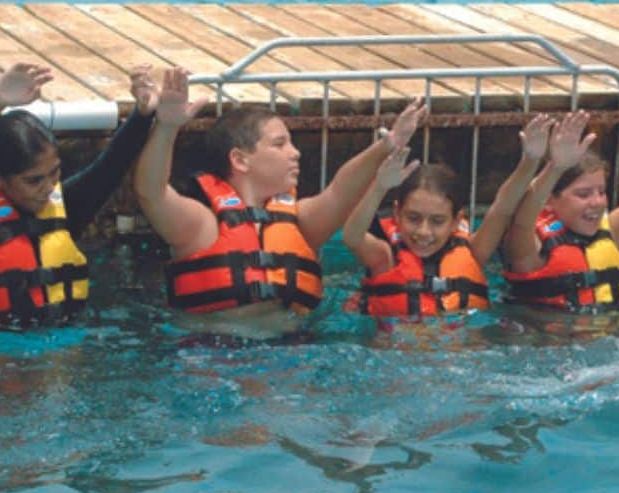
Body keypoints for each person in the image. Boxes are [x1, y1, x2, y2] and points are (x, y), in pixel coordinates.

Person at [130, 67, 426, 326]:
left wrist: (389, 145)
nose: (295, 153)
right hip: (214, 355)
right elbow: (150, 193)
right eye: (280, 144)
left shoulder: (300, 222)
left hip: (291, 354)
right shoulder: (201, 226)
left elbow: (340, 191)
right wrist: (167, 128)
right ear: (241, 160)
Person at [0, 62, 155, 327]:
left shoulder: (64, 208)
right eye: (33, 180)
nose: (49, 188)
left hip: (62, 354)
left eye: (55, 173)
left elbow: (109, 168)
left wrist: (143, 115)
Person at [500, 87, 619, 312]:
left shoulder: (609, 231)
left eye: (601, 191)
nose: (597, 202)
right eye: (583, 194)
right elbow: (522, 218)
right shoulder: (530, 248)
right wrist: (555, 168)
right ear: (550, 200)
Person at [342, 124, 540, 320]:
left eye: (437, 221)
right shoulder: (385, 259)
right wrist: (379, 187)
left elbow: (503, 207)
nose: (423, 232)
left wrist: (530, 162)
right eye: (413, 218)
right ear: (397, 213)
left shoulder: (473, 251)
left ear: (456, 221)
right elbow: (352, 237)